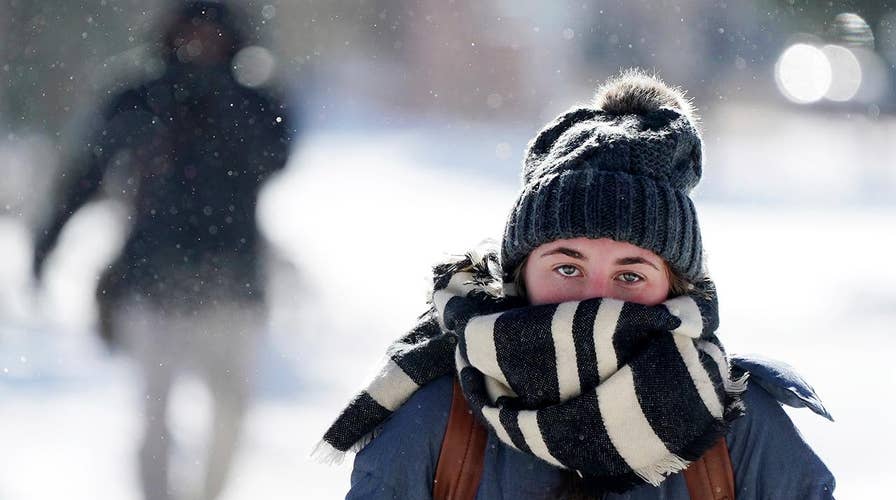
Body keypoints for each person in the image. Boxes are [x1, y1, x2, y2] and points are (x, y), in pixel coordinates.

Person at [317, 70, 834, 499]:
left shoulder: (736, 427)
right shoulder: (435, 421)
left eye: (630, 275)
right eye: (567, 267)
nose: (595, 299)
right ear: (520, 275)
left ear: (676, 292)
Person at [31, 2, 293, 500]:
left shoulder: (255, 102)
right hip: (152, 288)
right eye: (190, 30)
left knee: (232, 413)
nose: (200, 42)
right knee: (154, 419)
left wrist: (220, 99)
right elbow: (86, 174)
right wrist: (47, 242)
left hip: (232, 291)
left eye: (211, 31)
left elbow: (278, 154)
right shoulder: (139, 98)